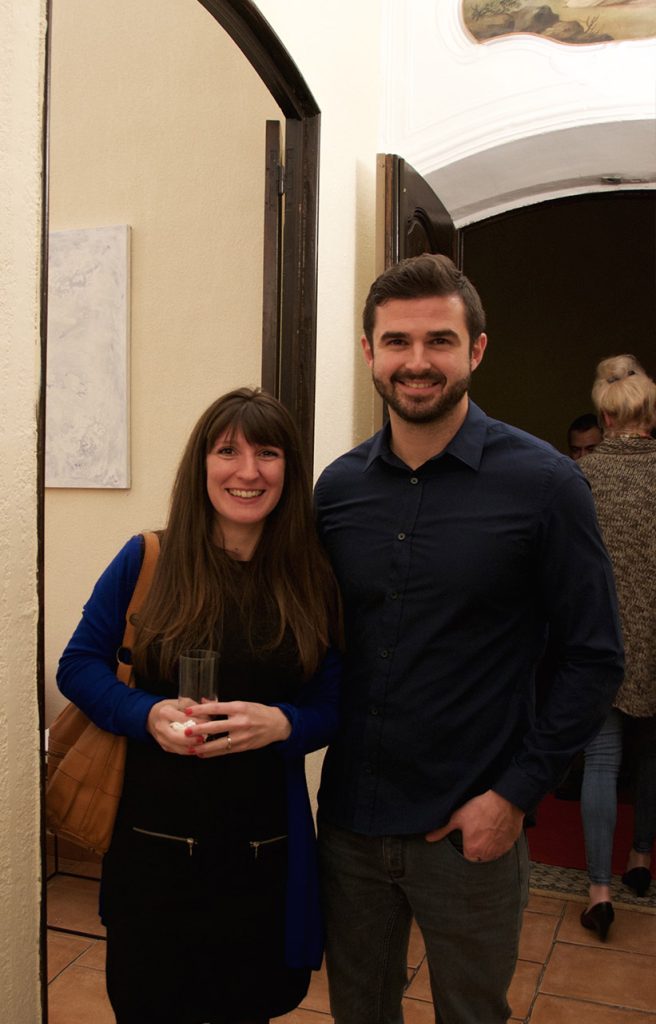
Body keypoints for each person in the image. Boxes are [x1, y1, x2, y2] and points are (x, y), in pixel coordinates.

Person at [314, 253, 624, 1024]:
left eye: (440, 341)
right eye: (397, 342)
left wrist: (515, 795)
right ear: (369, 353)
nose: (417, 362)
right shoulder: (338, 490)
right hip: (351, 825)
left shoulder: (547, 484)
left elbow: (596, 656)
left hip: (470, 830)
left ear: (476, 349)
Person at [57, 387, 342, 1024]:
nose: (247, 471)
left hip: (263, 853)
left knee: (249, 1006)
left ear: (289, 470)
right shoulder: (148, 558)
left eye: (267, 453)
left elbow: (333, 702)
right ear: (202, 466)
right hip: (152, 853)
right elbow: (78, 666)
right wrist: (145, 714)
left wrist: (284, 723)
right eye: (228, 451)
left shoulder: (312, 579)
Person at [578, 355, 656, 942]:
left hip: (600, 642)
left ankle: (599, 891)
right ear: (648, 417)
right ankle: (640, 861)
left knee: (601, 761)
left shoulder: (579, 479)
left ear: (605, 417)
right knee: (652, 755)